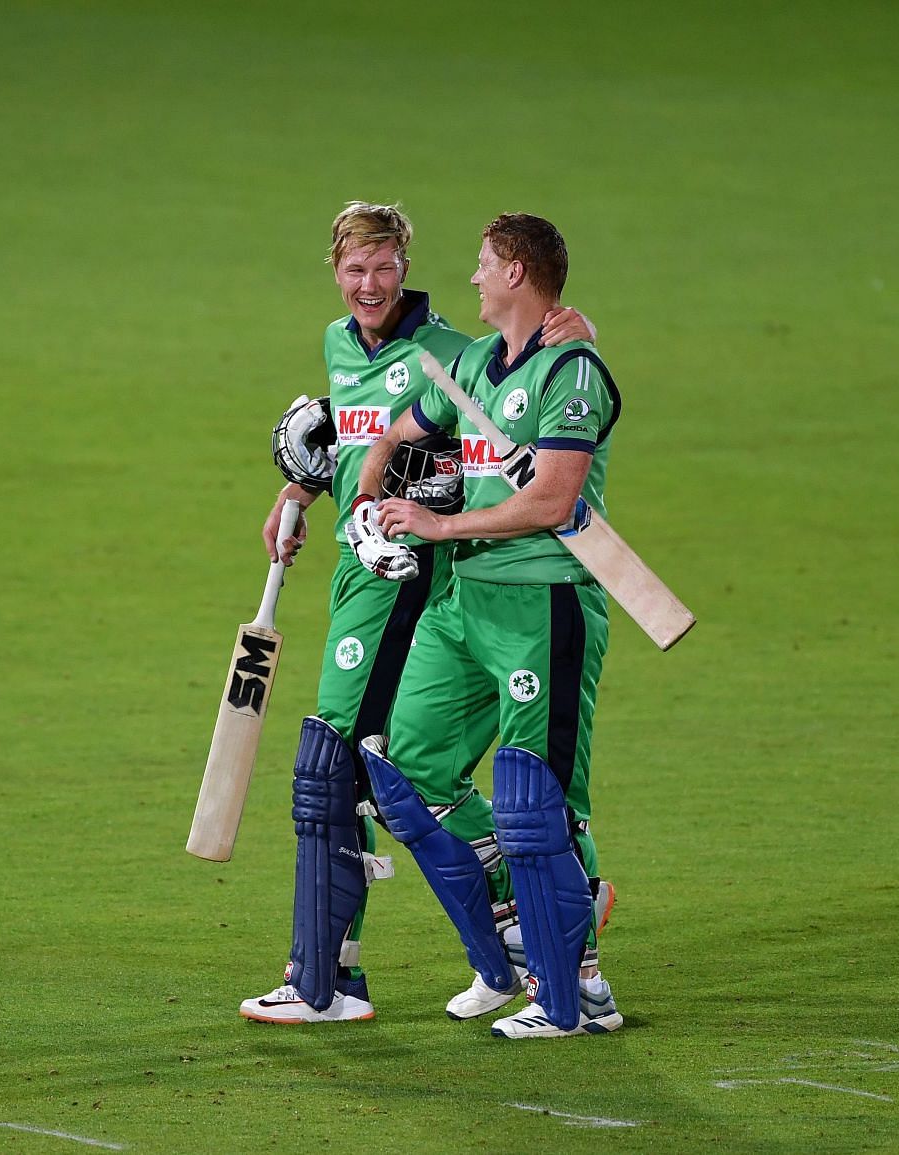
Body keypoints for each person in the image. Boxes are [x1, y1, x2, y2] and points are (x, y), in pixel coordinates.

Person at [239, 202, 593, 1024]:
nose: (370, 284)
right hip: (354, 572)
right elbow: (367, 440)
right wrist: (304, 484)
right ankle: (513, 922)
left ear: (406, 263)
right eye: (355, 269)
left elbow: (482, 449)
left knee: (337, 766)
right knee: (395, 769)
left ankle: (326, 977)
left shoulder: (451, 351)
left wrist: (571, 333)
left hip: (412, 583)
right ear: (335, 270)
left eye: (385, 266)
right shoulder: (337, 342)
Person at [355, 212, 623, 1039]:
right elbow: (401, 430)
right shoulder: (471, 363)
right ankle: (533, 912)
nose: (470, 278)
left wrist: (436, 527)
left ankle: (574, 990)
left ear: (516, 272)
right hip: (463, 609)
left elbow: (551, 500)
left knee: (537, 802)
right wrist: (368, 500)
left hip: (543, 602)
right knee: (409, 765)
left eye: (481, 265)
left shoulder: (574, 370)